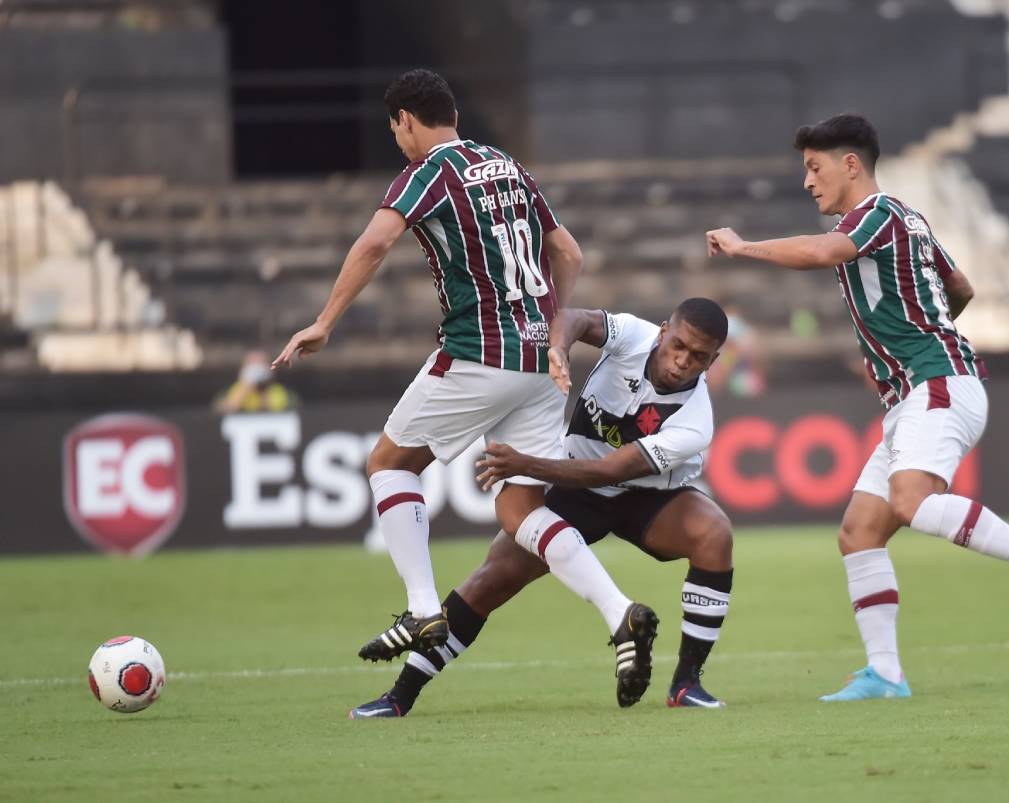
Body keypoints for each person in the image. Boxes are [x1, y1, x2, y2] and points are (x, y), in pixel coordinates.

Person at [271, 69, 655, 717]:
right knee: (519, 510)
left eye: (396, 129)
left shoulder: (431, 172)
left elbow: (377, 240)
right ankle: (621, 613)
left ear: (408, 121)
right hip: (538, 356)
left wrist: (325, 321)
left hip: (479, 349)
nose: (399, 142)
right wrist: (551, 324)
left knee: (389, 464)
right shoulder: (505, 164)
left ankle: (424, 609)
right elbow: (569, 251)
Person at [705, 114, 1009, 702]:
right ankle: (885, 673)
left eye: (814, 167)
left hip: (939, 384)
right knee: (859, 532)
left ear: (850, 164)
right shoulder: (910, 220)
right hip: (919, 388)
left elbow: (823, 250)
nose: (807, 182)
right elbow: (958, 288)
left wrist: (742, 246)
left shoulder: (876, 214)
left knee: (911, 501)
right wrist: (912, 334)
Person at [362, 299, 735, 715]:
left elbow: (611, 470)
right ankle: (399, 696)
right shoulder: (633, 336)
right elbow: (574, 317)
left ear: (713, 361)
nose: (682, 362)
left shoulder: (695, 421)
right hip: (576, 486)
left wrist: (525, 465)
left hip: (646, 496)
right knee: (493, 578)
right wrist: (558, 348)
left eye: (699, 357)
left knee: (714, 533)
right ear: (664, 331)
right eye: (678, 346)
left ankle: (686, 684)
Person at [214, 350, 297, 413]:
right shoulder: (229, 391)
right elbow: (220, 413)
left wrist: (263, 393)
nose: (256, 369)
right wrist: (244, 390)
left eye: (261, 364)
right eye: (252, 364)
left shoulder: (282, 392)